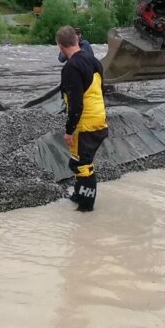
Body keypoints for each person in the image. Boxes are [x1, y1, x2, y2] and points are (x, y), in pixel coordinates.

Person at [57, 25, 108, 212]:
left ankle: (86, 210)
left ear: (60, 46)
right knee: (78, 161)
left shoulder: (71, 67)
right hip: (99, 120)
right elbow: (101, 92)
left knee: (82, 166)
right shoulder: (94, 61)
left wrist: (69, 130)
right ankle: (78, 195)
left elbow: (75, 104)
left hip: (84, 125)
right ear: (77, 40)